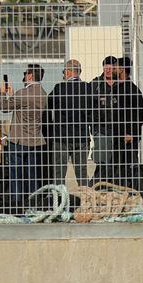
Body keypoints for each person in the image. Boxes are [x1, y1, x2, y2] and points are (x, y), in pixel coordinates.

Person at [0, 64, 47, 213]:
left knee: (16, 176)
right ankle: (34, 206)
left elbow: (5, 107)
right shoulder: (43, 94)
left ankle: (16, 206)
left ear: (31, 75)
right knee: (33, 176)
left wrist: (2, 93)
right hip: (36, 141)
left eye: (25, 73)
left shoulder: (23, 93)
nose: (24, 76)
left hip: (18, 140)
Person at [47, 59, 92, 187]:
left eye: (63, 71)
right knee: (82, 172)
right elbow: (93, 111)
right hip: (81, 136)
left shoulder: (60, 88)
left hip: (62, 136)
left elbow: (48, 104)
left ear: (68, 72)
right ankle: (86, 200)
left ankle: (60, 201)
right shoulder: (88, 88)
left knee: (59, 173)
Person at [112, 56, 143, 187]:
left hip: (128, 136)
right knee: (118, 167)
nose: (113, 69)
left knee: (129, 166)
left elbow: (138, 113)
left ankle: (132, 190)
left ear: (122, 69)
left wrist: (130, 133)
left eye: (115, 66)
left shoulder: (131, 90)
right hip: (118, 135)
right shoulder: (117, 88)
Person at [91, 55, 121, 183]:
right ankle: (95, 186)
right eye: (106, 67)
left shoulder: (122, 84)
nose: (108, 70)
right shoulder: (96, 84)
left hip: (119, 131)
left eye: (111, 67)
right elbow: (89, 107)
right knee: (103, 162)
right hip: (101, 130)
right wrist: (94, 129)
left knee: (118, 163)